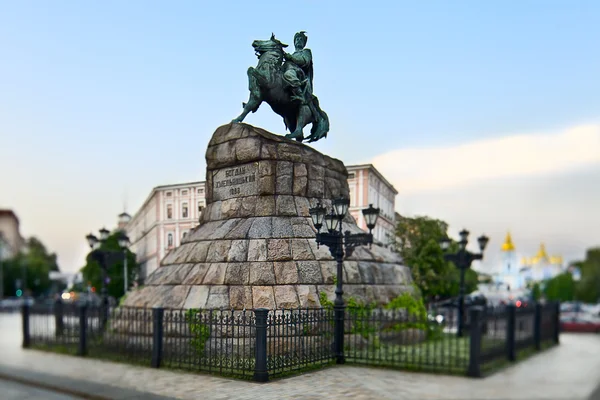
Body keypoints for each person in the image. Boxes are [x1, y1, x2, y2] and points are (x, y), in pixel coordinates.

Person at [283, 31, 313, 104]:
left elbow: (304, 61)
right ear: (294, 42)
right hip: (289, 69)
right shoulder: (292, 54)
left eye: (301, 39)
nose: (299, 40)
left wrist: (290, 58)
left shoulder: (306, 52)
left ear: (304, 43)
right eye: (297, 39)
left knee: (288, 74)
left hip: (299, 74)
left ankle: (300, 95)